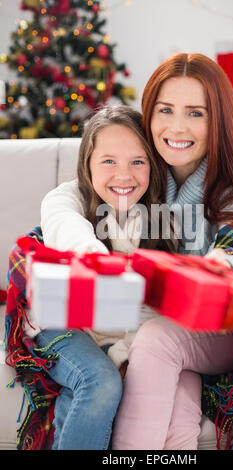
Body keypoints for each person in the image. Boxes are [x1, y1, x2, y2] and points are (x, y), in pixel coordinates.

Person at [38, 54, 233, 451]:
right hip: (175, 327)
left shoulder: (231, 190)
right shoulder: (142, 172)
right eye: (165, 110)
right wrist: (93, 256)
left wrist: (219, 267)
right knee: (177, 407)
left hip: (225, 325)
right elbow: (80, 193)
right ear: (149, 117)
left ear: (219, 122)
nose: (177, 126)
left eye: (196, 113)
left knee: (157, 338)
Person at [5, 104, 178, 450]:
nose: (124, 175)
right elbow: (71, 233)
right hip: (58, 320)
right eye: (109, 161)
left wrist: (126, 351)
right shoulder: (64, 199)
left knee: (101, 384)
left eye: (137, 162)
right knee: (100, 381)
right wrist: (101, 266)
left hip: (119, 329)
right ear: (88, 164)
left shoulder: (160, 219)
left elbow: (154, 309)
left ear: (153, 166)